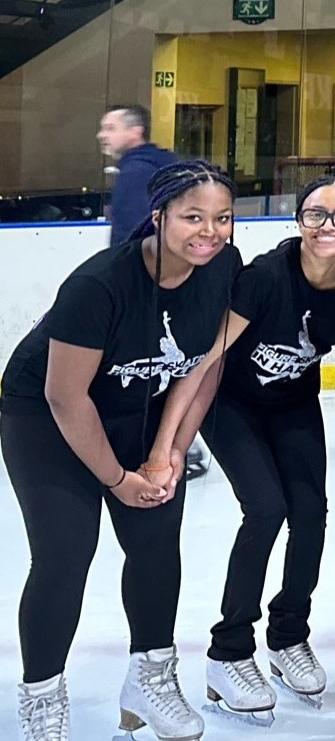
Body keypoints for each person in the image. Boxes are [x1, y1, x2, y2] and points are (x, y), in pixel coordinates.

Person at [6, 160, 239, 741]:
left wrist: (171, 451)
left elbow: (205, 361)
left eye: (223, 217)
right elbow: (65, 397)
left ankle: (150, 680)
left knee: (157, 543)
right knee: (65, 551)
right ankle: (41, 700)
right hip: (47, 416)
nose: (209, 231)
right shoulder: (99, 285)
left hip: (140, 410)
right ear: (157, 217)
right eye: (192, 217)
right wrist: (115, 479)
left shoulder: (222, 267)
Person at [181, 176, 335, 718]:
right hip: (232, 405)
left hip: (294, 404)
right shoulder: (267, 276)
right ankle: (228, 651)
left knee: (310, 512)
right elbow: (206, 361)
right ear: (298, 221)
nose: (328, 226)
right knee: (266, 508)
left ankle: (288, 635)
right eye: (317, 214)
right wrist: (170, 447)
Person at [99, 104, 178, 247]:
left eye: (110, 128)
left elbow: (133, 232)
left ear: (135, 132)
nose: (101, 135)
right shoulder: (159, 165)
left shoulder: (136, 173)